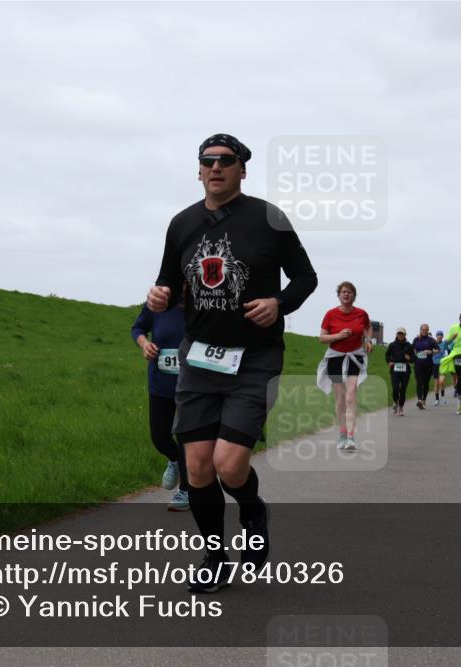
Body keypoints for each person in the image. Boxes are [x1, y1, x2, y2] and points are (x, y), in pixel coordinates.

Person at [148, 133, 318, 593]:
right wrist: (158, 295)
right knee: (197, 467)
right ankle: (215, 557)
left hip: (255, 357)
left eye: (227, 160)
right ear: (199, 170)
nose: (216, 167)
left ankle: (252, 507)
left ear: (243, 169)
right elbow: (166, 282)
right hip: (200, 358)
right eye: (208, 161)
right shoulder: (181, 224)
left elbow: (306, 277)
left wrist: (279, 303)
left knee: (228, 464)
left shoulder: (269, 219)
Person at [131, 295, 190, 511]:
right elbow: (137, 329)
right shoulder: (157, 303)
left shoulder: (203, 306)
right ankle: (174, 460)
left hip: (192, 387)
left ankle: (186, 490)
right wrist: (144, 344)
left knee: (185, 437)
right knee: (159, 436)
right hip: (160, 383)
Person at [317, 281, 372, 452]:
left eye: (349, 292)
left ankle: (350, 437)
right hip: (335, 358)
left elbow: (368, 328)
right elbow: (321, 338)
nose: (346, 294)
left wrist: (368, 340)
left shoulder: (361, 314)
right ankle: (341, 434)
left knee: (350, 398)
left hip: (354, 357)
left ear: (354, 295)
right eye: (343, 292)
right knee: (340, 400)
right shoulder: (330, 314)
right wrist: (338, 335)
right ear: (339, 295)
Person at [385, 327, 414, 416]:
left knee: (403, 390)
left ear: (405, 335)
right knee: (395, 389)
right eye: (399, 334)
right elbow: (387, 355)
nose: (400, 335)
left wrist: (409, 358)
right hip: (395, 370)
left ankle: (401, 407)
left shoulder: (409, 345)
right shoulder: (392, 345)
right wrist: (389, 361)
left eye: (402, 334)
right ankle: (395, 401)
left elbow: (413, 358)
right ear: (396, 334)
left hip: (405, 371)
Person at [412, 324, 438, 409]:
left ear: (428, 331)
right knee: (419, 382)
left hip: (428, 364)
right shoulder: (416, 339)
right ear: (420, 330)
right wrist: (414, 353)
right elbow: (412, 349)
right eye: (423, 330)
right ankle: (419, 400)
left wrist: (431, 352)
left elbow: (438, 349)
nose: (424, 331)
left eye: (426, 330)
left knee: (426, 383)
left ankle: (424, 399)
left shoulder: (431, 340)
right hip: (418, 364)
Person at [431, 330, 447, 405]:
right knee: (436, 383)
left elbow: (451, 346)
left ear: (442, 336)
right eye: (438, 335)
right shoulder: (432, 343)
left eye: (441, 335)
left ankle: (443, 397)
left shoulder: (444, 343)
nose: (440, 336)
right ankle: (437, 399)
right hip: (434, 364)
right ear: (436, 336)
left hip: (442, 364)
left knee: (442, 382)